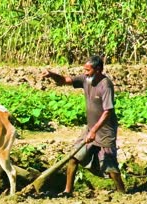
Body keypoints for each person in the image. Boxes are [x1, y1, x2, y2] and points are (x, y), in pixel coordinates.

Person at [42, 55, 126, 196]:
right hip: (90, 128)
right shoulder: (85, 80)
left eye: (88, 70)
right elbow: (64, 80)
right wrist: (51, 75)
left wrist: (94, 131)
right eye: (84, 70)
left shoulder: (106, 85)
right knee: (74, 158)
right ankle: (68, 191)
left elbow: (107, 112)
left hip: (105, 131)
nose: (85, 73)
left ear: (98, 69)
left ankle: (122, 192)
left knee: (110, 167)